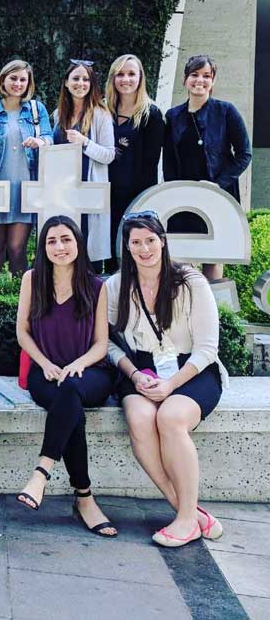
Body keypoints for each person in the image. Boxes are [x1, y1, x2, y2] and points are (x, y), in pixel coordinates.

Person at [107, 212, 229, 547]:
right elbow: (103, 340)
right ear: (127, 247)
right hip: (140, 371)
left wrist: (171, 385)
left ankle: (187, 519)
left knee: (171, 417)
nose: (144, 248)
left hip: (192, 370)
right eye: (136, 242)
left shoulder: (191, 282)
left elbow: (207, 348)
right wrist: (131, 372)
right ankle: (187, 512)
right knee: (141, 417)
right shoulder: (116, 286)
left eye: (151, 240)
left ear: (162, 241)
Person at [14, 216, 117, 537]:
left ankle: (40, 473)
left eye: (66, 239)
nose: (59, 247)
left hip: (91, 374)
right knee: (70, 408)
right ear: (43, 247)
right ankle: (84, 498)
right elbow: (22, 331)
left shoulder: (96, 286)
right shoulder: (33, 279)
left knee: (71, 390)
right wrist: (43, 362)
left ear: (78, 243)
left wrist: (79, 364)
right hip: (46, 373)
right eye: (52, 241)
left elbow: (102, 344)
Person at [163, 54, 251, 281]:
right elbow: (169, 160)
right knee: (182, 258)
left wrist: (218, 184)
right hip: (184, 197)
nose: (199, 80)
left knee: (213, 255)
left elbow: (244, 154)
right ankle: (188, 309)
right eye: (194, 75)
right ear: (185, 80)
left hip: (217, 195)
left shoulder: (226, 111)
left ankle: (215, 313)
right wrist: (173, 192)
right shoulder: (173, 116)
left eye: (206, 76)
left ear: (213, 81)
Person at [0, 60, 52, 275]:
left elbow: (49, 137)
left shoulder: (35, 110)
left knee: (17, 248)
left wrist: (40, 142)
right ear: (3, 80)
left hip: (25, 188)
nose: (18, 83)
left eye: (23, 79)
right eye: (13, 78)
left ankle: (21, 297)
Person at [51, 60, 115, 269]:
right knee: (65, 253)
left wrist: (85, 142)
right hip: (63, 193)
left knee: (88, 254)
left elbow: (109, 155)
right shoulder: (58, 114)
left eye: (86, 79)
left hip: (88, 192)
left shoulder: (101, 114)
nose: (81, 83)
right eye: (76, 78)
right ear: (66, 83)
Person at [104, 55, 164, 272]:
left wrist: (137, 203)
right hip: (104, 195)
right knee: (108, 253)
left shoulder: (152, 114)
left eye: (131, 74)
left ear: (140, 78)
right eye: (120, 74)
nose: (125, 79)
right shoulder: (103, 111)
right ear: (112, 78)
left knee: (132, 254)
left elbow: (150, 163)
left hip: (135, 197)